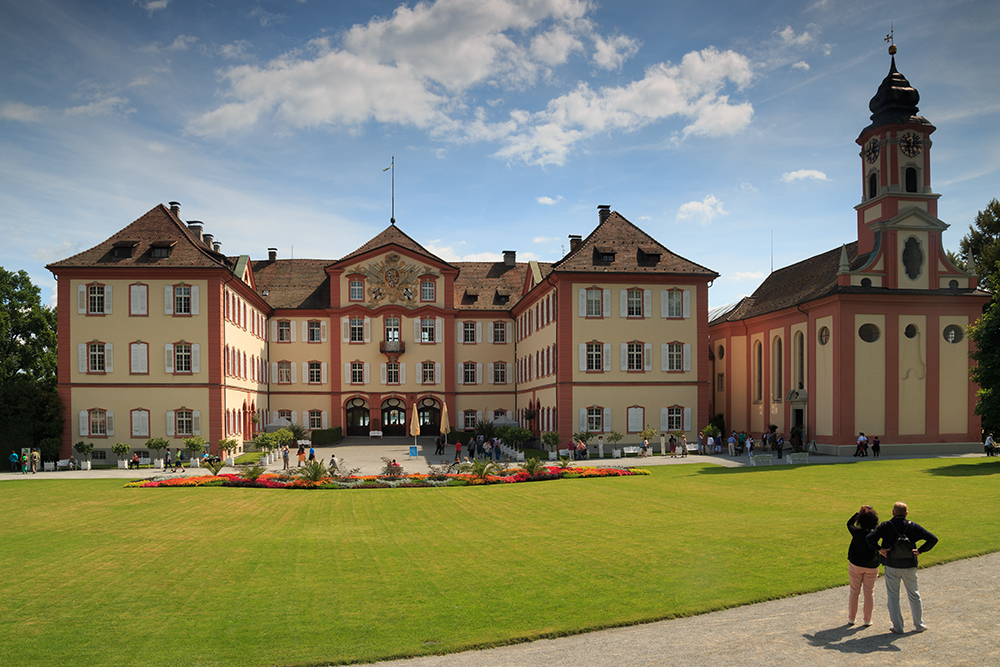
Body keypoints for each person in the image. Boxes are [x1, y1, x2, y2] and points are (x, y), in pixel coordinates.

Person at [866, 501, 938, 634]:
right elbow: (933, 539)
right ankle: (919, 624)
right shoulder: (913, 526)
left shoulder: (886, 526)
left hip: (891, 565)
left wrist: (880, 549)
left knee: (893, 597)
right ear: (907, 513)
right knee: (914, 595)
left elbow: (870, 538)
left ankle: (898, 627)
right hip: (909, 565)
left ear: (893, 512)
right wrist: (920, 550)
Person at [846, 505, 880, 626]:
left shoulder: (856, 532)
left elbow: (849, 523)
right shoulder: (875, 534)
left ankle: (852, 618)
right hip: (871, 565)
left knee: (854, 591)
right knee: (869, 593)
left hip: (856, 564)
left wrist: (858, 513)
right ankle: (867, 619)